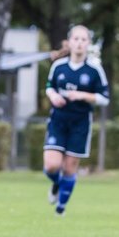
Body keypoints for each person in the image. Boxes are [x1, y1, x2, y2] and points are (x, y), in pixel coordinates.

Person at [42, 25, 110, 216]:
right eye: (76, 39)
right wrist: (53, 96)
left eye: (83, 40)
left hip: (80, 123)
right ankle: (56, 184)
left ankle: (60, 210)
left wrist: (82, 95)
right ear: (70, 42)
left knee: (70, 167)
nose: (79, 43)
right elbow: (49, 87)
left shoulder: (94, 69)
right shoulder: (59, 66)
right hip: (58, 120)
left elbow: (105, 98)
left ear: (88, 44)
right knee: (52, 166)